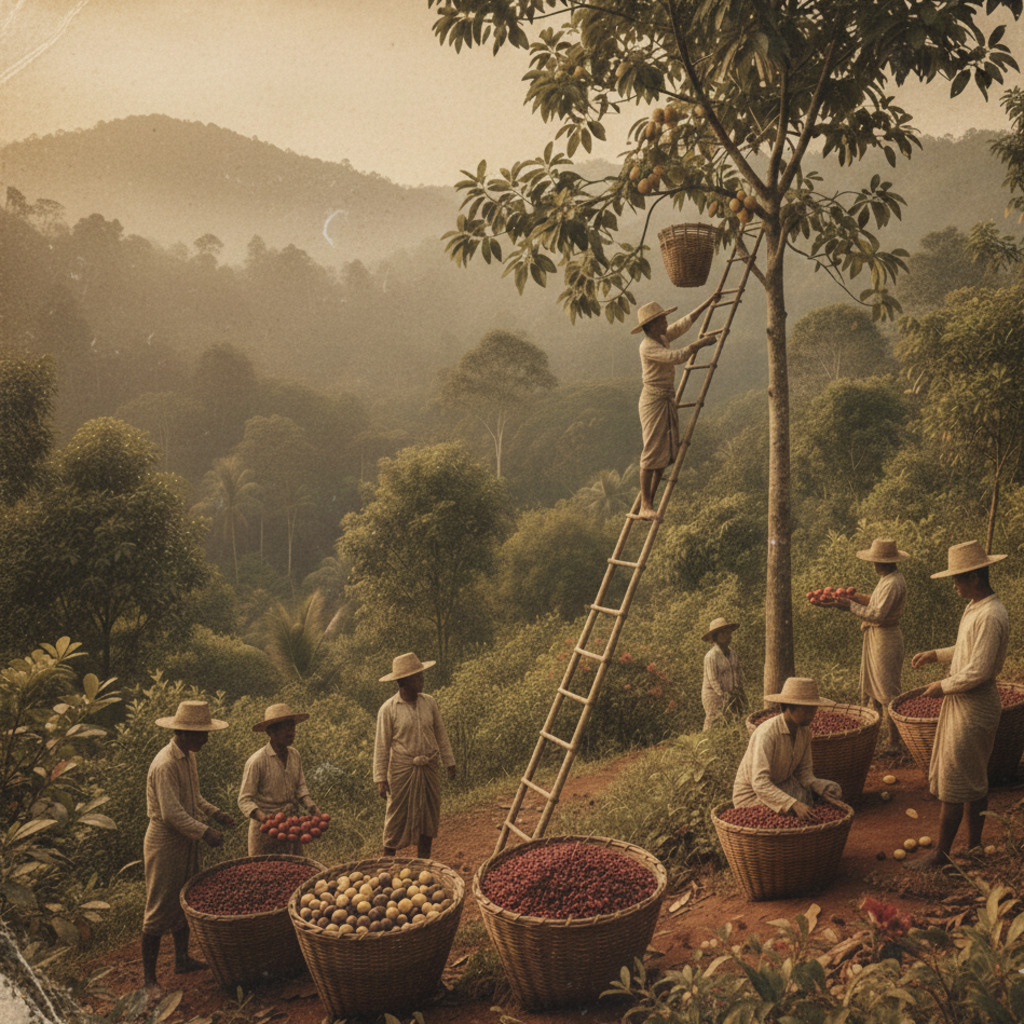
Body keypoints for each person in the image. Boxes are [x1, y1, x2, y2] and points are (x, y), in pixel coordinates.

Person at [910, 540, 1009, 869]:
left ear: (976, 579)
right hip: (962, 702)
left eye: (958, 578)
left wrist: (942, 685)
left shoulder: (992, 615)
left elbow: (979, 670)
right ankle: (975, 846)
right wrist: (936, 655)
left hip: (974, 705)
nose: (954, 584)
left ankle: (941, 854)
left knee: (957, 780)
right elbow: (967, 648)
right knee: (971, 776)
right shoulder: (976, 608)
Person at [141, 700, 235, 997]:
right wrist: (205, 831)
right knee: (158, 907)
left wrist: (215, 813)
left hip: (186, 836)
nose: (205, 739)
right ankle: (149, 980)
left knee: (185, 896)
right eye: (200, 734)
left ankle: (181, 959)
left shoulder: (187, 756)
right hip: (165, 840)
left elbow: (192, 798)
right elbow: (171, 813)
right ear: (182, 733)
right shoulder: (165, 764)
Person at [630, 294, 720, 519]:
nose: (666, 322)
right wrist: (699, 344)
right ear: (651, 326)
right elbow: (677, 357)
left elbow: (682, 324)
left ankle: (649, 500)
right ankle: (645, 505)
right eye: (661, 320)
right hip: (653, 401)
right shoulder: (648, 346)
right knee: (651, 451)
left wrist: (707, 302)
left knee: (667, 451)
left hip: (666, 399)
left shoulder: (661, 337)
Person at [823, 538, 909, 752]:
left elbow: (878, 614)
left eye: (876, 561)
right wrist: (855, 597)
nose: (873, 565)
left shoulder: (894, 582)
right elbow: (875, 601)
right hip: (877, 637)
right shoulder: (888, 579)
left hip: (885, 638)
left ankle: (894, 741)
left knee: (887, 688)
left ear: (886, 562)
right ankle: (875, 735)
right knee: (874, 688)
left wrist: (849, 605)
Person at [373, 652, 456, 859]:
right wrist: (380, 778)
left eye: (421, 675)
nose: (422, 680)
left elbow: (440, 733)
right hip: (402, 769)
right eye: (417, 677)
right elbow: (382, 745)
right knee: (395, 817)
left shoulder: (430, 702)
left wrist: (449, 762)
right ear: (403, 682)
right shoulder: (388, 709)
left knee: (429, 814)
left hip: (429, 766)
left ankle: (424, 861)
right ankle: (387, 862)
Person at [733, 677, 842, 819]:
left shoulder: (804, 732)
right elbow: (760, 783)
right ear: (790, 707)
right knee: (788, 816)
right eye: (807, 710)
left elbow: (804, 773)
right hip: (752, 796)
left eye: (814, 709)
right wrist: (793, 804)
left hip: (782, 786)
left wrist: (818, 786)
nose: (813, 715)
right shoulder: (767, 734)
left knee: (833, 789)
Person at [238, 702, 321, 856]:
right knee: (264, 872)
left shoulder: (295, 755)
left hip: (291, 826)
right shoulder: (257, 761)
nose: (291, 732)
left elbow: (300, 787)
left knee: (294, 870)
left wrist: (313, 808)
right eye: (285, 728)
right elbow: (244, 800)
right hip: (265, 830)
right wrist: (264, 819)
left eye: (292, 727)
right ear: (271, 732)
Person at [701, 616, 746, 731]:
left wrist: (739, 688)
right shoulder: (711, 656)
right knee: (714, 719)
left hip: (729, 691)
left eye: (728, 633)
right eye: (722, 633)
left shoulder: (732, 653)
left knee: (733, 717)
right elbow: (713, 679)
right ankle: (707, 741)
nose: (727, 636)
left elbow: (738, 671)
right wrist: (722, 694)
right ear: (715, 637)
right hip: (713, 693)